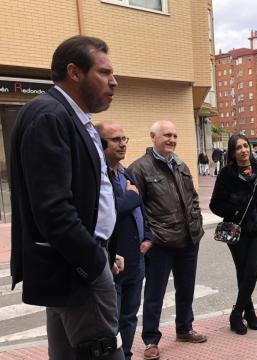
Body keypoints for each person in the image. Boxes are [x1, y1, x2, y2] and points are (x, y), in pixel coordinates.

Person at [9, 36, 124, 359]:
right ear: (74, 72)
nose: (113, 82)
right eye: (104, 73)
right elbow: (53, 210)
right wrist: (93, 261)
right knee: (100, 352)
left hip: (70, 267)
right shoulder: (50, 116)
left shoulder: (67, 117)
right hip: (76, 271)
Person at [129, 120, 206, 360]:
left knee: (186, 289)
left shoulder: (180, 163)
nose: (171, 139)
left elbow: (192, 196)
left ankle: (184, 328)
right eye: (166, 135)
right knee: (155, 293)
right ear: (153, 137)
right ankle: (151, 340)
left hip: (188, 238)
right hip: (161, 243)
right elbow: (136, 207)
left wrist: (196, 221)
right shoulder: (139, 169)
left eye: (174, 135)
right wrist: (149, 236)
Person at [210, 133, 257, 335]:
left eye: (245, 146)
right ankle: (249, 313)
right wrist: (235, 211)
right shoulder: (226, 174)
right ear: (233, 153)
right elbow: (215, 204)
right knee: (243, 272)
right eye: (238, 148)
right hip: (237, 231)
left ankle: (236, 313)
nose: (243, 150)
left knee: (252, 270)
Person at [96, 121, 151, 360]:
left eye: (123, 139)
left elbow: (142, 208)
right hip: (113, 259)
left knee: (130, 315)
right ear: (100, 143)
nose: (122, 144)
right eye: (115, 139)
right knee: (113, 319)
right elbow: (109, 211)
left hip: (136, 258)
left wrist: (148, 236)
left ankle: (126, 355)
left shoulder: (126, 172)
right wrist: (131, 197)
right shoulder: (100, 176)